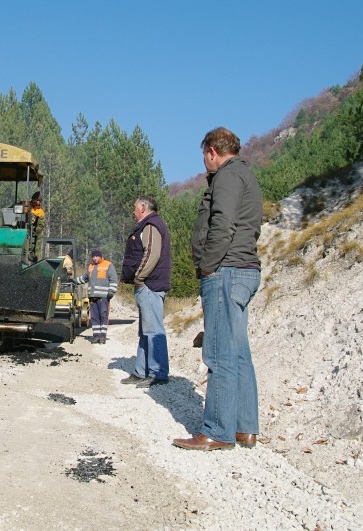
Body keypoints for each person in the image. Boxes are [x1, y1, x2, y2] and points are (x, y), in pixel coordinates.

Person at [173, 127, 262, 451]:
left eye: (204, 157)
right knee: (238, 352)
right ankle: (244, 428)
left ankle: (217, 431)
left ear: (212, 151)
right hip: (244, 270)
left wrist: (208, 265)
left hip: (225, 272)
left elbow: (222, 224)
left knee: (219, 354)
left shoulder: (226, 176)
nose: (205, 163)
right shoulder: (246, 176)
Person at [120, 196, 172, 388]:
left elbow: (152, 253)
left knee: (153, 331)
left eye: (134, 207)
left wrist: (139, 278)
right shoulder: (148, 225)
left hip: (150, 286)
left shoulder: (151, 225)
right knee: (145, 331)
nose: (133, 211)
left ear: (143, 207)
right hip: (147, 285)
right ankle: (140, 371)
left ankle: (158, 373)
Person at [72, 249, 117, 344]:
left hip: (103, 297)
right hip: (92, 297)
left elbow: (113, 280)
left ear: (100, 256)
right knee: (94, 317)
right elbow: (84, 278)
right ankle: (96, 336)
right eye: (93, 256)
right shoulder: (91, 267)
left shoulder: (108, 265)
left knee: (103, 315)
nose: (95, 258)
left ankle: (102, 337)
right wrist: (74, 280)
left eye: (96, 256)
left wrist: (111, 291)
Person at [22, 191, 45, 265]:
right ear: (34, 199)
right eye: (37, 200)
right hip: (21, 228)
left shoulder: (40, 212)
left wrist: (35, 231)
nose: (38, 203)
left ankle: (33, 258)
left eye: (40, 201)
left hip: (32, 232)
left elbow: (40, 226)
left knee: (35, 244)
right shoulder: (25, 205)